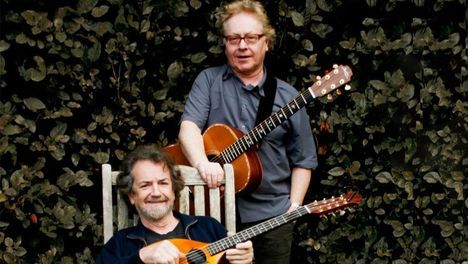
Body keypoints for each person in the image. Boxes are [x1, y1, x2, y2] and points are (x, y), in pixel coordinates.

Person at [177, 0, 318, 263]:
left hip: (272, 217)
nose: (242, 46)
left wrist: (293, 209)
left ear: (267, 42)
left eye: (251, 38)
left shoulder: (289, 98)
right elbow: (189, 127)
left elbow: (303, 159)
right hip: (213, 214)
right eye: (234, 38)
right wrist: (202, 164)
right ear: (225, 44)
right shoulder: (208, 81)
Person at [95, 145, 253, 264]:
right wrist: (142, 256)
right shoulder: (121, 243)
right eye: (145, 185)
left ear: (173, 189)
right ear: (131, 196)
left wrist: (246, 259)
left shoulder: (208, 228)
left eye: (163, 183)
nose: (156, 192)